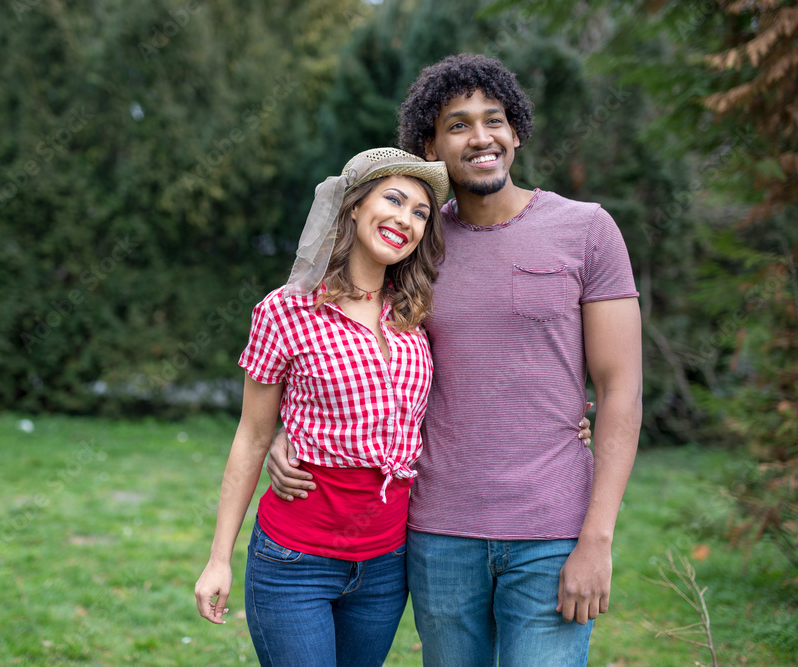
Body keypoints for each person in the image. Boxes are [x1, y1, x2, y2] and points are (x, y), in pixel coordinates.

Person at [267, 53, 643, 667]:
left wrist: (597, 539)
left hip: (553, 529)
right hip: (437, 533)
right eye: (458, 124)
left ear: (516, 131)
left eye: (493, 120)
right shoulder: (413, 240)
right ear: (430, 146)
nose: (481, 137)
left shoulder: (587, 229)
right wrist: (291, 429)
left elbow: (621, 386)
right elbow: (337, 335)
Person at [194, 147, 451, 667]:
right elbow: (252, 437)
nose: (405, 219)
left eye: (420, 212)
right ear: (354, 206)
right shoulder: (287, 310)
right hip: (296, 560)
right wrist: (218, 559)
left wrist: (563, 418)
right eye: (394, 200)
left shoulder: (416, 312)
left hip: (385, 564)